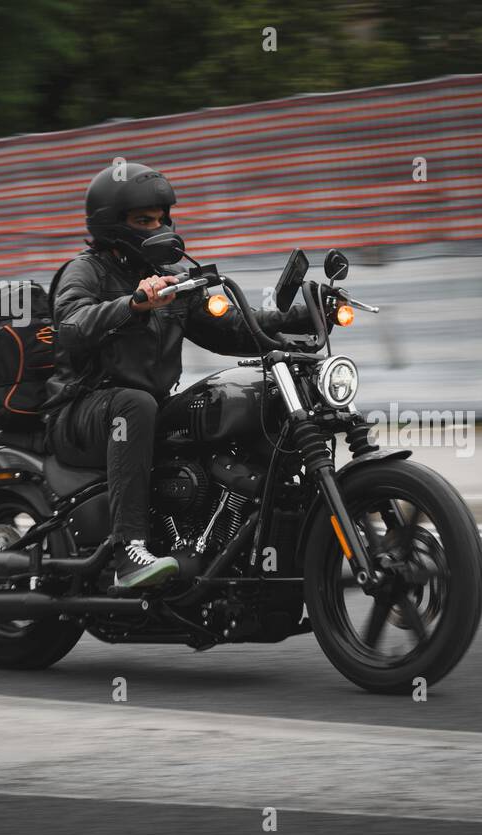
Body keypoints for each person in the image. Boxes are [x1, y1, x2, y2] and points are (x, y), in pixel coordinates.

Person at [44, 162, 314, 587]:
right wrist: (132, 305)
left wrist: (305, 315)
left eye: (161, 219)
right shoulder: (86, 271)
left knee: (231, 405)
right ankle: (126, 552)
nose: (157, 227)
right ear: (113, 225)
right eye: (143, 221)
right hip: (81, 411)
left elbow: (234, 330)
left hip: (146, 406)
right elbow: (72, 327)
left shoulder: (170, 279)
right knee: (135, 403)